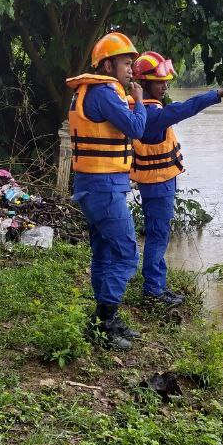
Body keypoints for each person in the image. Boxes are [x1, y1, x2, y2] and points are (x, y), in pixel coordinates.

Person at [131, 52, 223, 306]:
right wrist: (217, 94)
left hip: (155, 182)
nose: (165, 85)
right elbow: (187, 108)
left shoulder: (139, 109)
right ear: (145, 83)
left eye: (165, 81)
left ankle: (158, 285)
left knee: (157, 235)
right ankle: (153, 291)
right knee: (158, 236)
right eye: (159, 82)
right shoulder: (151, 113)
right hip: (158, 184)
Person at [66, 32, 148, 350]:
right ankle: (104, 323)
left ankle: (103, 321)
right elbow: (136, 129)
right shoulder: (104, 92)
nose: (131, 69)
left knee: (102, 254)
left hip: (91, 187)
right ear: (109, 64)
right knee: (127, 255)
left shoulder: (86, 92)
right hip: (105, 189)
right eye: (127, 63)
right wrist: (139, 100)